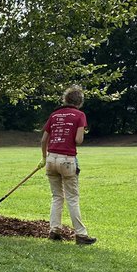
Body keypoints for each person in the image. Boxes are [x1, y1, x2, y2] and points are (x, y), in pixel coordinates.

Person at [40, 85, 96, 245]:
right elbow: (78, 140)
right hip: (67, 160)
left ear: (65, 99)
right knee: (72, 197)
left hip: (51, 159)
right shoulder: (79, 115)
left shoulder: (54, 114)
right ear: (80, 102)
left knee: (57, 197)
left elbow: (44, 140)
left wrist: (44, 158)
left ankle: (54, 231)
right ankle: (81, 235)